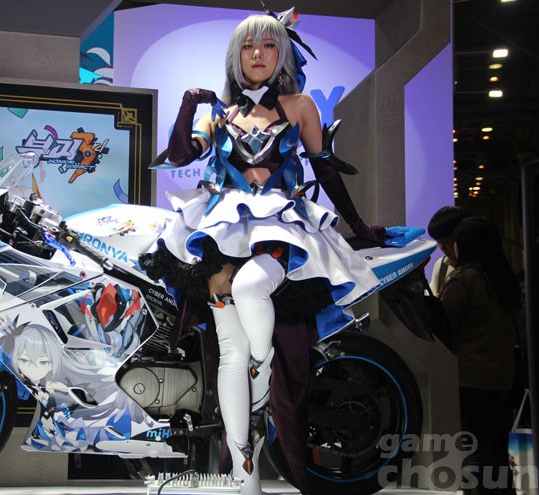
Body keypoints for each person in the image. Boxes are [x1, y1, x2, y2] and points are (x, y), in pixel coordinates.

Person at [140, 8, 418, 495]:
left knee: (250, 290)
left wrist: (359, 226)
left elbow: (325, 169)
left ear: (281, 53)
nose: (258, 54)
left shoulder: (300, 105)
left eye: (268, 44)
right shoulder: (220, 114)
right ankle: (244, 477)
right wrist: (188, 105)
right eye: (248, 46)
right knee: (228, 352)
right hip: (221, 228)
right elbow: (182, 155)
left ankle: (262, 371)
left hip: (280, 227)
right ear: (236, 56)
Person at [439, 216, 521, 495]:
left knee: (476, 449)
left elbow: (445, 323)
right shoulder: (503, 279)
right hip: (503, 376)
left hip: (470, 376)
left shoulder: (464, 280)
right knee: (498, 449)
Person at [427, 205, 470, 296]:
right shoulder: (441, 265)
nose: (442, 247)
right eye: (438, 242)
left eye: (446, 242)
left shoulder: (479, 272)